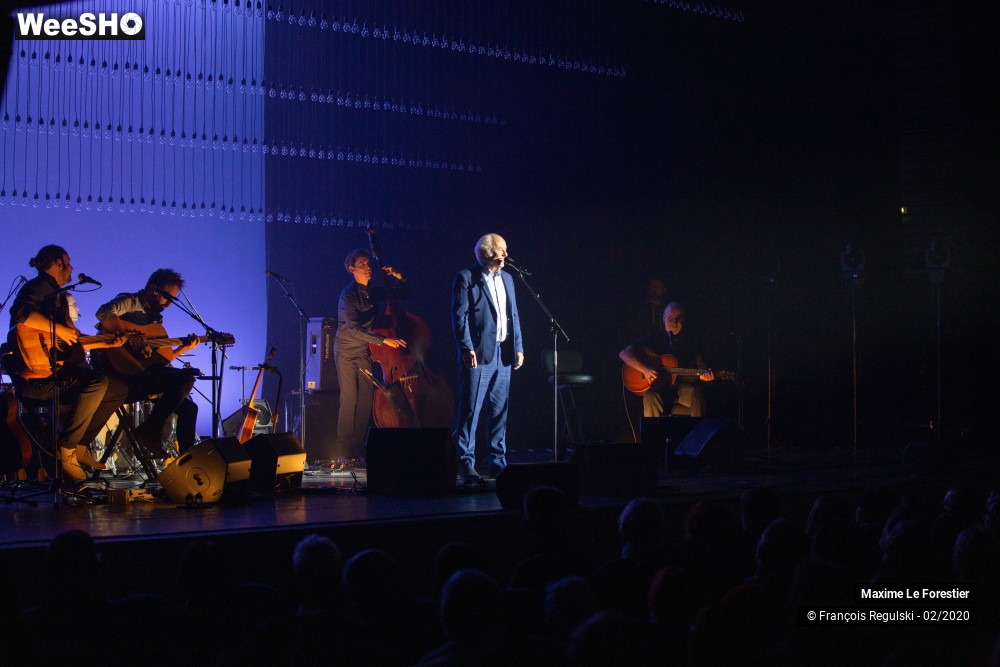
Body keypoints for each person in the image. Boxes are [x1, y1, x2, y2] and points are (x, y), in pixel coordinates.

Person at [4, 245, 129, 481]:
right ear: (58, 263)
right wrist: (60, 329)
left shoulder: (56, 295)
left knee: (118, 389)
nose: (72, 268)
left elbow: (74, 341)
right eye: (69, 263)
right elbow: (20, 314)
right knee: (96, 382)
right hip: (39, 380)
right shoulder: (41, 287)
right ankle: (68, 446)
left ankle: (80, 445)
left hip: (56, 371)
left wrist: (108, 343)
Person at [94, 269, 201, 455]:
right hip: (118, 375)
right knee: (185, 378)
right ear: (153, 289)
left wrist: (181, 349)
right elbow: (103, 312)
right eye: (167, 297)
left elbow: (155, 362)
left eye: (173, 299)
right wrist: (131, 340)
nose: (170, 303)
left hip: (141, 375)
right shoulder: (130, 301)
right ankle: (150, 430)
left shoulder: (154, 320)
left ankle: (188, 461)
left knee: (190, 408)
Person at [451, 233, 523, 484]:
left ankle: (497, 462)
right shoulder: (466, 277)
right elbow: (459, 316)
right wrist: (466, 347)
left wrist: (518, 346)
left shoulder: (508, 278)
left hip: (503, 353)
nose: (505, 254)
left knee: (499, 411)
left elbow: (513, 314)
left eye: (505, 249)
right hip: (479, 354)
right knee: (471, 410)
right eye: (501, 249)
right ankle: (466, 463)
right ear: (485, 253)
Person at [333, 248, 409, 463]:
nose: (368, 268)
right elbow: (355, 330)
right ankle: (342, 451)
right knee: (349, 400)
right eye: (362, 265)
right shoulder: (348, 295)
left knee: (366, 400)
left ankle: (358, 449)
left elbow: (405, 294)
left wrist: (398, 276)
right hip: (346, 352)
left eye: (368, 264)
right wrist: (385, 340)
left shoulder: (374, 291)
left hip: (364, 351)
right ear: (352, 269)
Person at [619, 302, 714, 417]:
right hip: (661, 389)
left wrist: (707, 379)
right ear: (663, 318)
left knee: (698, 393)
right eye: (670, 318)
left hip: (684, 389)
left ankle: (698, 429)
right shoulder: (653, 337)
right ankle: (653, 429)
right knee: (650, 396)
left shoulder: (691, 342)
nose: (674, 322)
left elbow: (703, 369)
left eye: (678, 319)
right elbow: (624, 354)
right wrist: (645, 369)